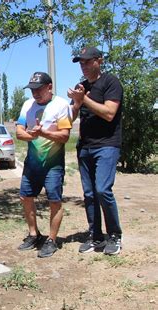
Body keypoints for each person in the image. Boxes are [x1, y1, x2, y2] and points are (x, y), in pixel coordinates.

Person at [68, 47, 124, 255]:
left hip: (107, 145)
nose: (83, 65)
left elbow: (109, 113)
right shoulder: (80, 87)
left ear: (99, 61)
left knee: (102, 190)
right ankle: (96, 236)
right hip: (85, 147)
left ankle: (115, 235)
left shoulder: (111, 82)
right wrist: (75, 104)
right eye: (80, 62)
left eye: (87, 61)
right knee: (89, 194)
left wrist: (84, 100)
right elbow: (72, 117)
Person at [16, 72, 72, 258]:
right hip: (32, 163)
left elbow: (64, 136)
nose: (35, 93)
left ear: (49, 87)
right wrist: (32, 135)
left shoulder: (61, 105)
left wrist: (43, 133)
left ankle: (52, 240)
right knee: (26, 197)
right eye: (32, 90)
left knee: (54, 200)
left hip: (53, 164)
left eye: (38, 89)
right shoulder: (27, 105)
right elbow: (19, 132)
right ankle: (34, 234)